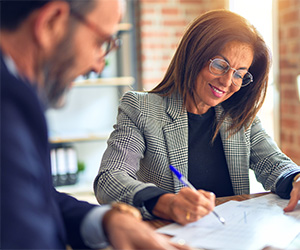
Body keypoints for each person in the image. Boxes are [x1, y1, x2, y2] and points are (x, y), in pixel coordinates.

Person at [0, 0, 191, 249]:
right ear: (50, 23)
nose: (98, 65)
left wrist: (106, 221)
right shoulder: (9, 105)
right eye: (101, 43)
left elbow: (34, 198)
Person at [94, 9, 300, 226]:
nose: (227, 81)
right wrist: (166, 203)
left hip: (232, 235)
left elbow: (274, 164)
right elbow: (109, 179)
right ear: (194, 54)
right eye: (220, 65)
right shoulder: (141, 109)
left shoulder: (238, 116)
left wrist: (297, 178)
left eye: (239, 74)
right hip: (173, 238)